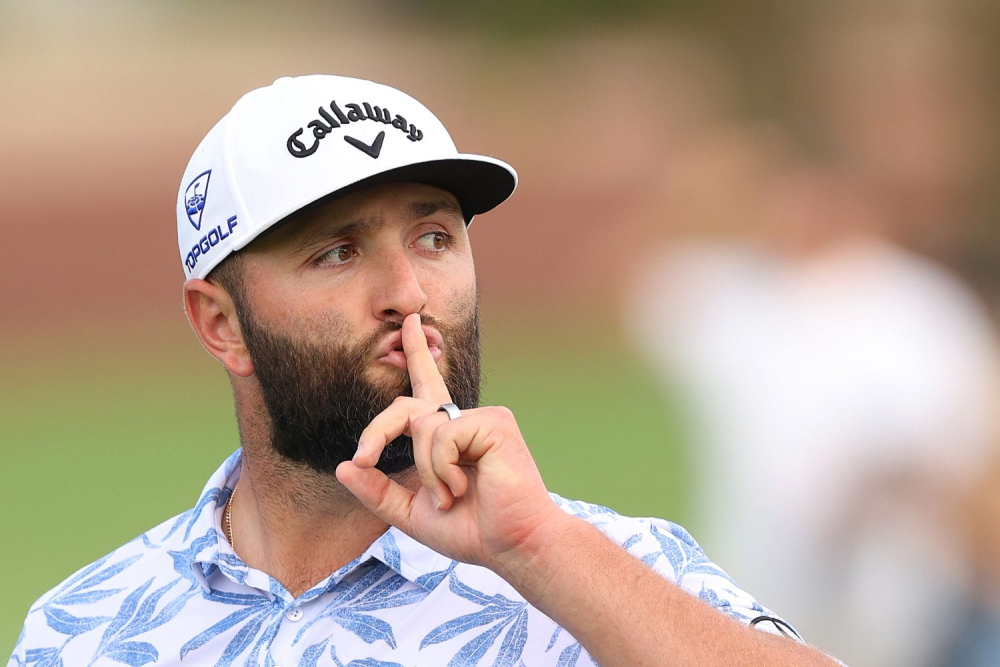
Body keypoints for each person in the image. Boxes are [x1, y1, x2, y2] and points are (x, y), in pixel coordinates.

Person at [9, 75, 837, 666]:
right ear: (221, 323)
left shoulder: (608, 570)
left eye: (434, 237)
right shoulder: (86, 630)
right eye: (338, 253)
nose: (409, 296)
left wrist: (540, 549)